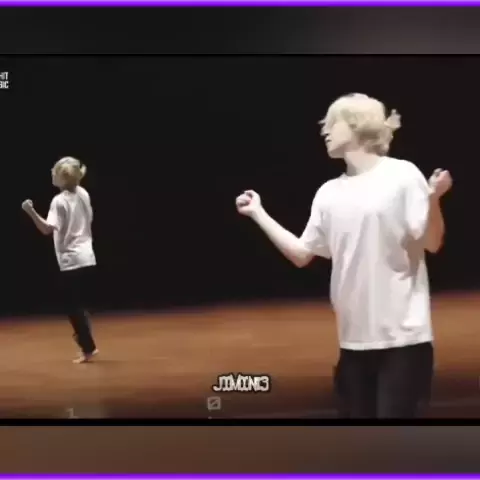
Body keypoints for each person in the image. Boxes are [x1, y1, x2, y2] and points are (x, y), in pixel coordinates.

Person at [235, 93, 452, 418]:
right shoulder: (328, 193)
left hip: (404, 342)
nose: (324, 130)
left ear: (357, 125)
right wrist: (258, 213)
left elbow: (432, 242)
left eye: (332, 123)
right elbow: (301, 254)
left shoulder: (403, 175)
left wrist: (434, 200)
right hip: (352, 344)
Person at [22, 156, 99, 364]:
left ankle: (88, 347)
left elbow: (46, 229)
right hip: (87, 256)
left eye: (54, 171)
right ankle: (87, 341)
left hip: (71, 260)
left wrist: (30, 211)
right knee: (78, 305)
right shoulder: (83, 193)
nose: (51, 173)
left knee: (72, 307)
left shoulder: (59, 201)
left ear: (62, 178)